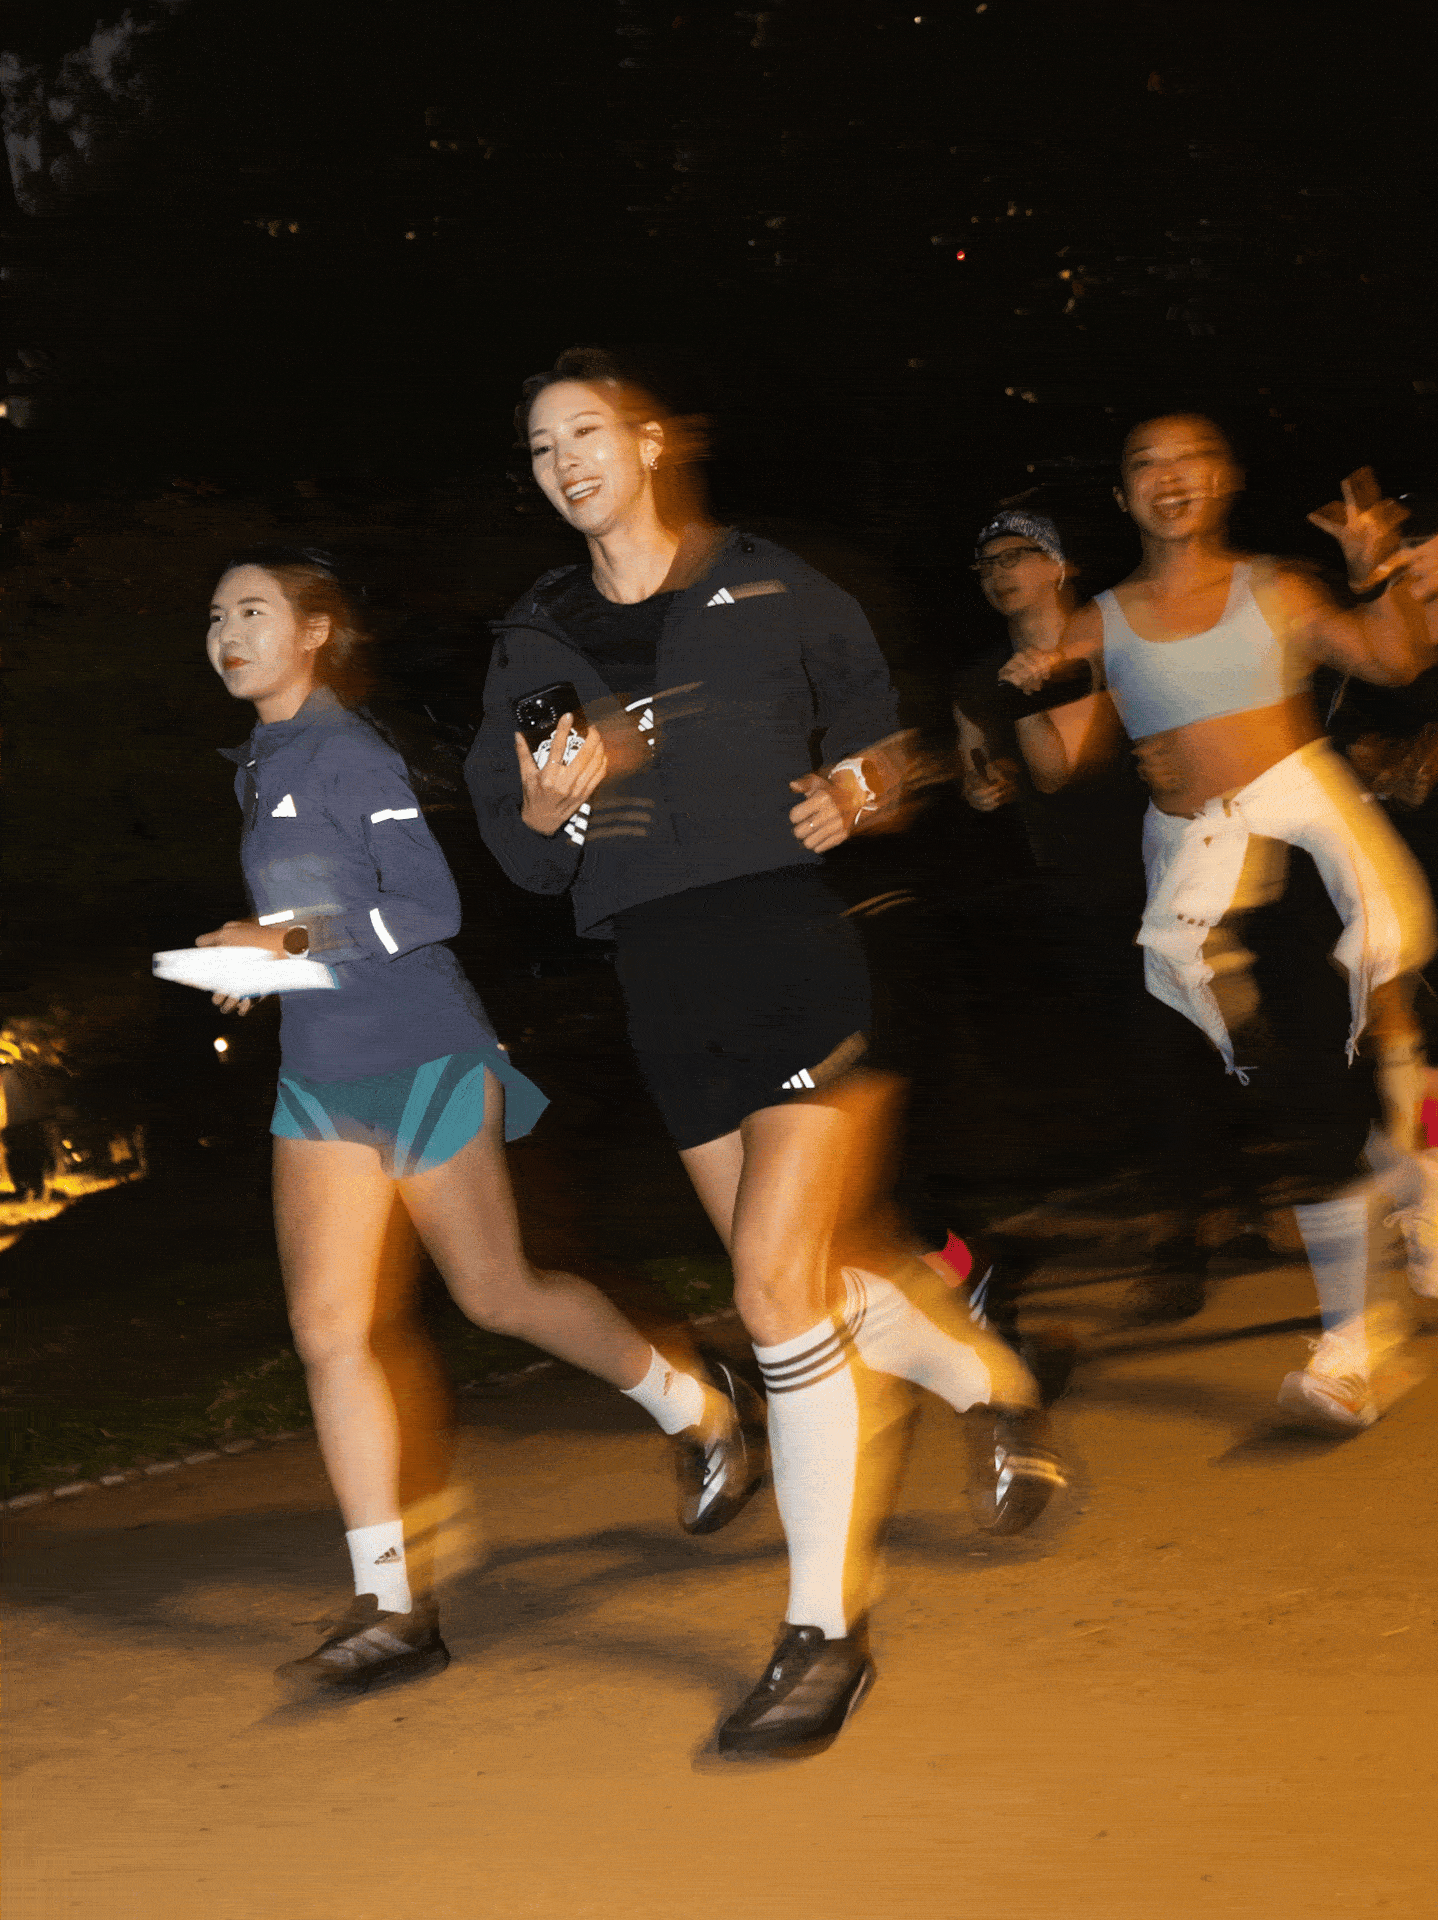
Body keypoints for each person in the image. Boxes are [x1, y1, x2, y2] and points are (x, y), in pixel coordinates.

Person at [465, 350, 1058, 1760]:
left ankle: (821, 1633)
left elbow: (896, 750)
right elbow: (517, 850)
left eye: (587, 433)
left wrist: (864, 789)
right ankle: (1002, 1387)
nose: (566, 464)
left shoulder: (779, 585)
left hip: (795, 957)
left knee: (770, 1286)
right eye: (542, 448)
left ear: (652, 439)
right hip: (662, 988)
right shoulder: (533, 636)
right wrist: (546, 812)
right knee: (825, 1282)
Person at [198, 546, 766, 1697]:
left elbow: (429, 905)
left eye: (252, 610)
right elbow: (313, 914)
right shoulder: (258, 766)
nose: (226, 631)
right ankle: (393, 1603)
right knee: (327, 1330)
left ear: (313, 632)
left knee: (497, 1295)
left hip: (422, 1058)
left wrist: (293, 940)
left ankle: (700, 1405)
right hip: (318, 1074)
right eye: (215, 616)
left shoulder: (349, 749)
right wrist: (251, 953)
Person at [1002, 415, 1437, 1429]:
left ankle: (1353, 1338)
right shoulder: (1102, 620)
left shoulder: (1278, 587)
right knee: (1301, 1089)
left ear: (1225, 478)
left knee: (1381, 1032)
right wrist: (1032, 671)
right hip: (1199, 866)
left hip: (1301, 833)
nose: (1169, 476)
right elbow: (1059, 764)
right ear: (1123, 497)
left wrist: (1379, 577)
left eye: (1189, 457)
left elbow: (1392, 663)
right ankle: (1391, 1214)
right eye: (1144, 463)